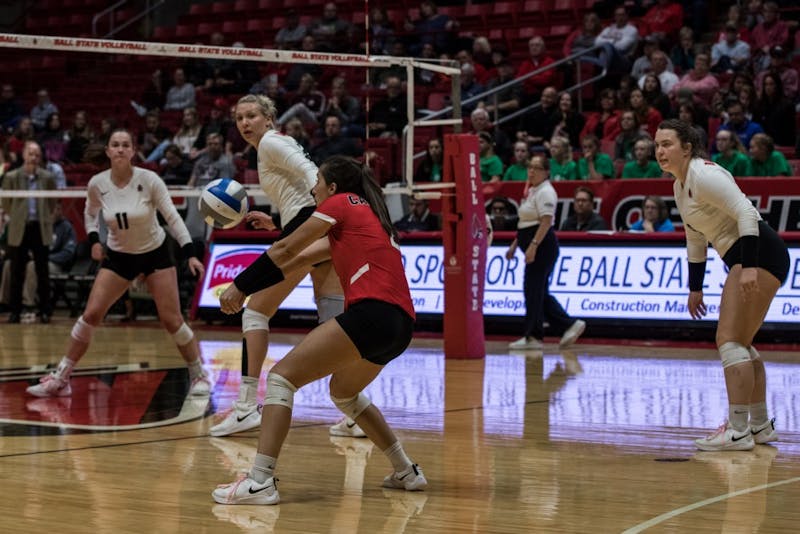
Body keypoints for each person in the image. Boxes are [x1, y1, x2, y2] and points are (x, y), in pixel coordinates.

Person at [212, 155, 427, 505]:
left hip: (371, 313)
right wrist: (252, 285)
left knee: (282, 378)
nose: (312, 190)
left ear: (333, 187)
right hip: (401, 326)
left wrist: (239, 285)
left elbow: (285, 248)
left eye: (317, 182)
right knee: (344, 393)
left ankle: (260, 481)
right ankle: (406, 470)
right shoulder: (369, 219)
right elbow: (295, 258)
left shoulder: (342, 203)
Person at [24, 129, 211, 398]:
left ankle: (198, 374)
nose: (121, 149)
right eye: (115, 145)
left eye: (126, 145)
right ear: (109, 151)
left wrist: (190, 253)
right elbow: (90, 215)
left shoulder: (149, 180)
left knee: (171, 320)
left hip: (155, 254)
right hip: (119, 257)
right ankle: (62, 377)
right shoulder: (97, 184)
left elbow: (172, 217)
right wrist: (94, 241)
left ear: (133, 151)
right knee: (90, 315)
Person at [209, 94, 353, 439]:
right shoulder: (273, 145)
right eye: (239, 118)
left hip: (310, 224)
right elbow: (301, 194)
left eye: (252, 116)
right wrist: (277, 223)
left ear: (268, 119)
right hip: (313, 224)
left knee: (254, 313)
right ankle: (353, 412)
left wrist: (312, 218)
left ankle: (245, 408)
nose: (245, 123)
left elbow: (310, 175)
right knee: (334, 322)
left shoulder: (271, 143)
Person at [654, 118, 788, 450]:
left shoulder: (704, 175)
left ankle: (738, 429)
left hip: (758, 253)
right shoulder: (679, 186)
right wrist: (694, 287)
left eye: (667, 144)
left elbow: (745, 211)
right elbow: (694, 239)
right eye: (657, 144)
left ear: (687, 148)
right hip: (751, 256)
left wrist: (750, 267)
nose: (660, 151)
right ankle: (758, 425)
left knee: (728, 341)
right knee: (741, 342)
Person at [506, 155, 586, 351]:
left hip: (543, 247)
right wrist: (515, 245)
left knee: (533, 291)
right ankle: (567, 325)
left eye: (536, 168)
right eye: (529, 167)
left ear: (546, 172)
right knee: (537, 292)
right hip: (535, 245)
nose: (531, 171)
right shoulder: (533, 191)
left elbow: (546, 222)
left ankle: (535, 336)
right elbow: (526, 222)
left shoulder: (546, 192)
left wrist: (533, 246)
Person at [1, 141, 57, 323]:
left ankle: (45, 311)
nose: (34, 157)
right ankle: (15, 311)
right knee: (17, 269)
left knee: (42, 271)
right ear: (24, 155)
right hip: (20, 227)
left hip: (39, 227)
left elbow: (51, 203)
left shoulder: (47, 177)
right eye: (30, 153)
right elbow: (7, 204)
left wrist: (44, 217)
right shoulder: (11, 176)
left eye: (37, 154)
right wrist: (17, 217)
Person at [0, 201, 76, 311]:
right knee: (9, 264)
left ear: (61, 211)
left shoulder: (66, 227)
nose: (55, 212)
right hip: (35, 259)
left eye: (58, 209)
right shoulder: (38, 226)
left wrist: (45, 258)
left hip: (55, 263)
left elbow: (68, 253)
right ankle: (4, 302)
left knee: (33, 266)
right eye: (52, 209)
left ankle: (28, 303)